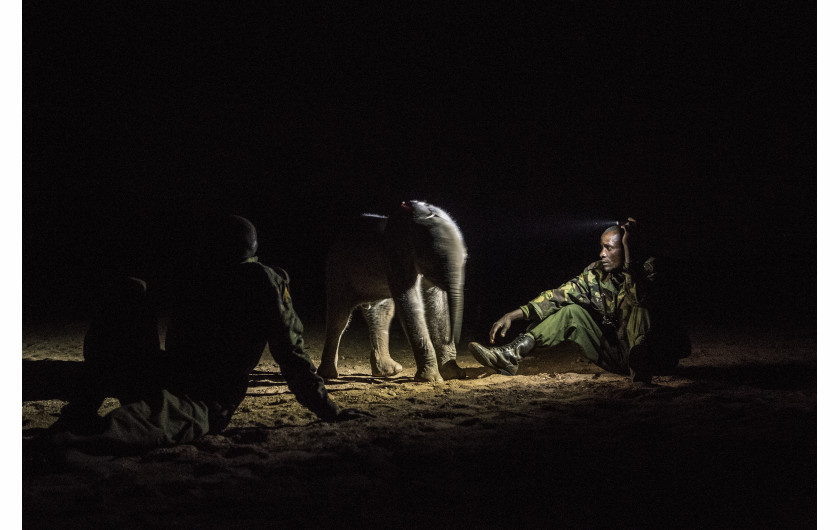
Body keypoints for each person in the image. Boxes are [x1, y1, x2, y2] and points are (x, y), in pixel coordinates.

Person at [46, 214, 370, 455]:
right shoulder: (228, 276)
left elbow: (291, 353)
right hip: (183, 388)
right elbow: (292, 352)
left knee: (144, 416)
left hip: (194, 393)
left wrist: (329, 409)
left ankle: (75, 428)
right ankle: (77, 422)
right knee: (130, 292)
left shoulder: (242, 278)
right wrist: (329, 408)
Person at [468, 218, 690, 384]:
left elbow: (639, 295)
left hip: (658, 357)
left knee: (638, 308)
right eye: (602, 247)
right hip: (622, 357)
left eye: (609, 248)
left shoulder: (651, 269)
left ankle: (641, 364)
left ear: (626, 249)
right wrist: (513, 315)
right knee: (571, 311)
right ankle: (510, 355)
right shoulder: (596, 274)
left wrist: (631, 252)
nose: (602, 253)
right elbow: (557, 295)